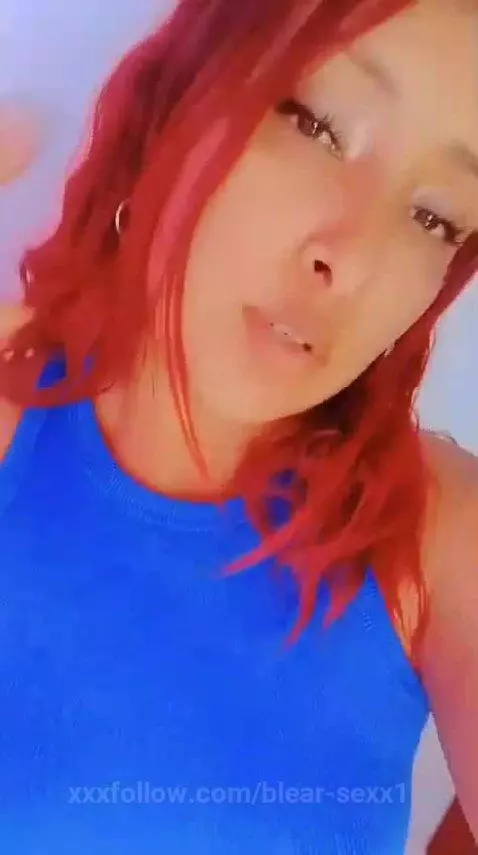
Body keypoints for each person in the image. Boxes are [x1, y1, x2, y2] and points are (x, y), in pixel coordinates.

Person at [0, 0, 477, 852]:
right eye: (318, 124)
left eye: (436, 216)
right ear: (182, 99)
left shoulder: (435, 533)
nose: (353, 260)